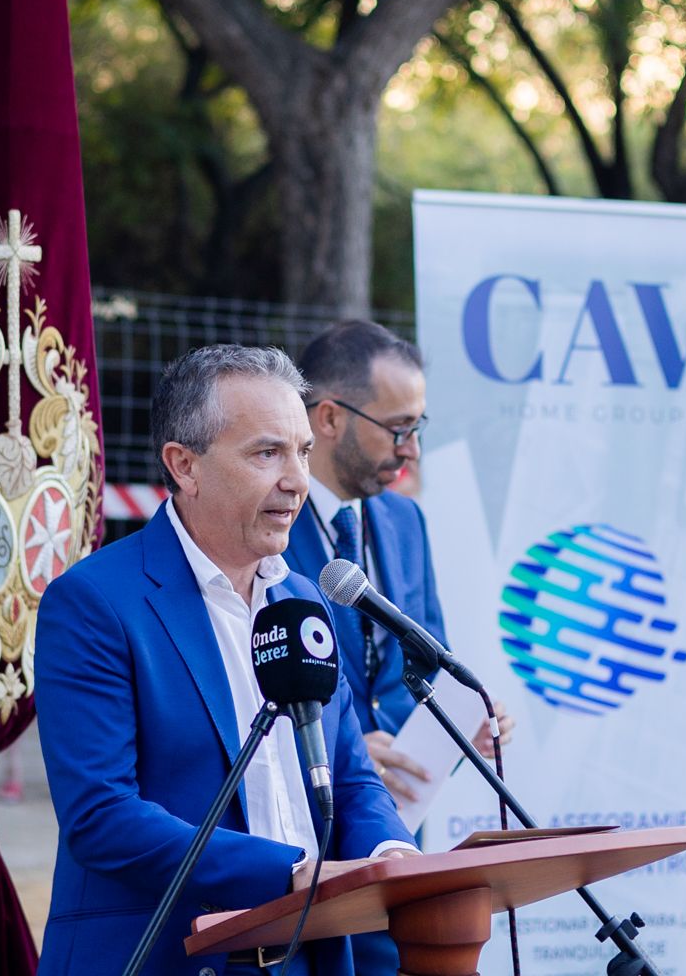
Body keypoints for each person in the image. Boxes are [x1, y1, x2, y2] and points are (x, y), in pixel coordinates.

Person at [35, 345, 416, 976]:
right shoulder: (95, 602)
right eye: (268, 453)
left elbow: (349, 777)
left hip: (311, 953)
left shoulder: (303, 597)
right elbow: (101, 815)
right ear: (184, 465)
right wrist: (288, 873)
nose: (296, 480)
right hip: (166, 957)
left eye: (302, 452)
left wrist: (390, 851)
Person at [286, 321, 513, 975]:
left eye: (418, 426)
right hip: (301, 856)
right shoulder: (266, 522)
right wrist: (347, 751)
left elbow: (426, 662)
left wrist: (467, 724)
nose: (411, 449)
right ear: (328, 417)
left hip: (400, 843)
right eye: (398, 427)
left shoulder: (405, 520)